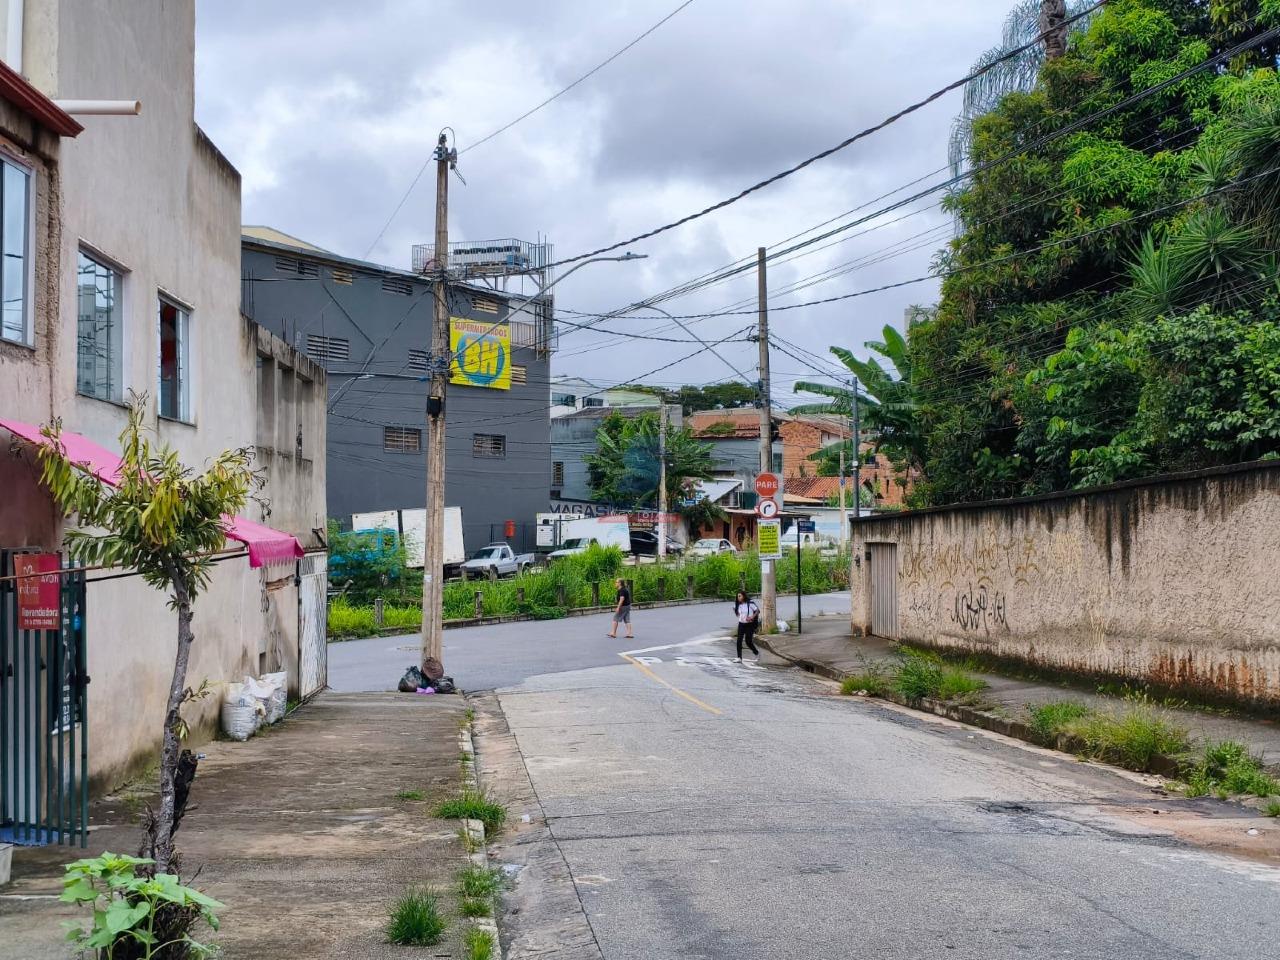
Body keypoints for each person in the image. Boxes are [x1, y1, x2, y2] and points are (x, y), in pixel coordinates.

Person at [732, 590, 760, 663]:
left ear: (744, 596)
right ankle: (739, 658)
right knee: (739, 641)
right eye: (737, 596)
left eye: (740, 596)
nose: (738, 597)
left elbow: (757, 611)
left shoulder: (750, 603)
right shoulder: (737, 604)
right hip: (741, 624)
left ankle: (756, 652)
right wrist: (738, 615)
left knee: (748, 641)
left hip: (749, 625)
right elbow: (734, 608)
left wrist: (752, 617)